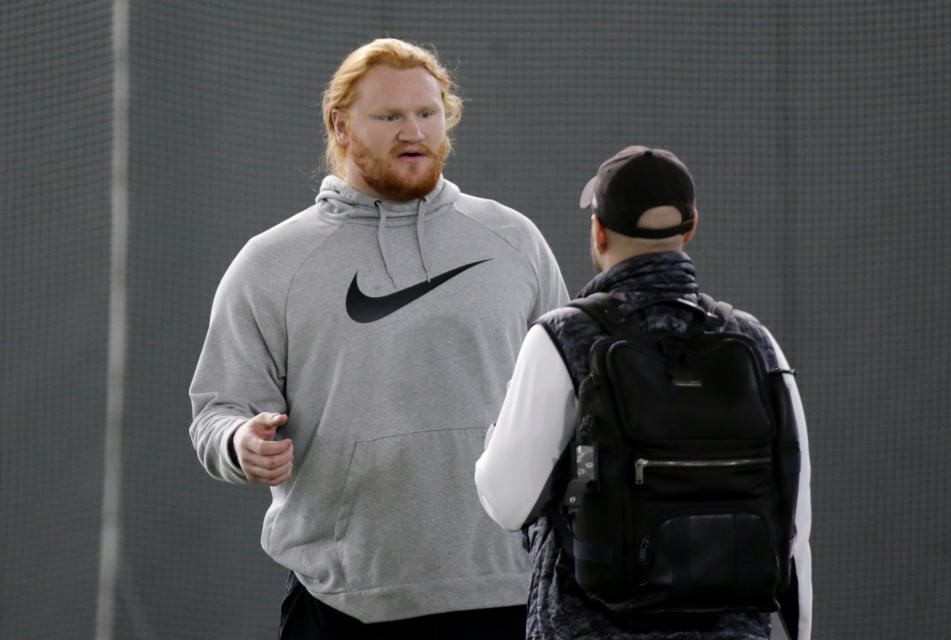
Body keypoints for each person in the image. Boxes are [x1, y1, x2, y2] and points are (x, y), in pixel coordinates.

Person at [189, 37, 568, 639]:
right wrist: (240, 442)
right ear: (341, 125)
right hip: (341, 605)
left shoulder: (514, 241)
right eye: (389, 116)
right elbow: (218, 409)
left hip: (509, 593)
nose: (412, 130)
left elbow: (571, 398)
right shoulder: (271, 262)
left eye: (427, 112)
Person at [475, 145, 812, 640]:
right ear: (690, 228)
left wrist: (496, 433)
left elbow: (506, 503)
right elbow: (794, 527)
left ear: (599, 231)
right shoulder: (755, 342)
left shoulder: (565, 337)